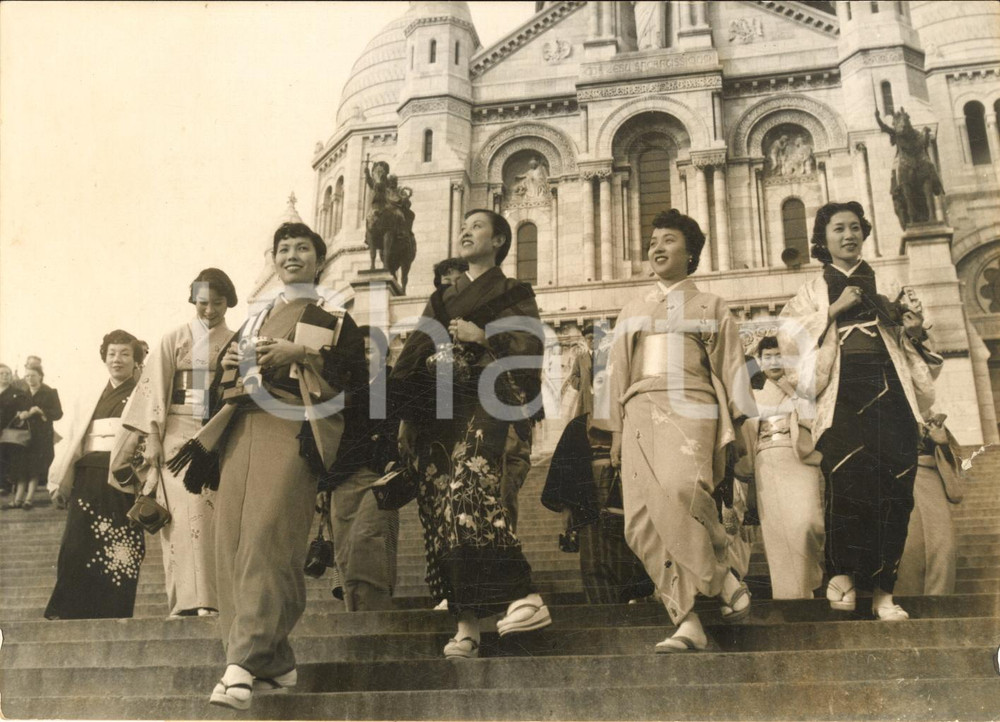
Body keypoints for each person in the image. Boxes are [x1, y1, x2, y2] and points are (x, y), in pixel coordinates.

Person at [167, 222, 367, 710]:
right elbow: (223, 380)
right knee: (229, 545)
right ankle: (274, 664)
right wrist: (231, 360)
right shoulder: (256, 317)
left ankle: (241, 664)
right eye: (284, 248)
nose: (292, 255)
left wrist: (304, 353)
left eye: (303, 248)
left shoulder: (334, 315)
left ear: (320, 261)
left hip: (294, 430)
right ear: (273, 259)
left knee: (268, 541)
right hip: (240, 430)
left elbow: (355, 382)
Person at [392, 209, 550, 659]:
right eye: (463, 225)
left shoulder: (513, 291)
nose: (465, 230)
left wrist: (484, 335)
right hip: (439, 408)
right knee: (441, 507)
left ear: (500, 240)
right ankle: (467, 624)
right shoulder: (441, 298)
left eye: (477, 226)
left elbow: (529, 346)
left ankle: (525, 595)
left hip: (487, 396)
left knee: (469, 491)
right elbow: (411, 354)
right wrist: (405, 414)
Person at [779, 201, 942, 621]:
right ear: (823, 239)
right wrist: (834, 309)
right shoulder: (812, 291)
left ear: (865, 233)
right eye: (839, 229)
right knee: (848, 484)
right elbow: (788, 340)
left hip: (891, 392)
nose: (849, 235)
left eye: (855, 227)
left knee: (895, 489)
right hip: (843, 395)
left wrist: (914, 328)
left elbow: (920, 341)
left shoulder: (888, 281)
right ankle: (842, 575)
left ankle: (885, 592)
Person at [607, 209, 757, 653]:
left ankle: (720, 576)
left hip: (691, 403)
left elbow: (731, 366)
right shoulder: (633, 307)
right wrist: (614, 431)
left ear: (690, 253)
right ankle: (689, 618)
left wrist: (741, 427)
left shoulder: (712, 305)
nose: (657, 247)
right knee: (640, 522)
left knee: (681, 491)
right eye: (653, 240)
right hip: (637, 407)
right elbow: (616, 370)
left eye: (669, 240)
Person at [115, 268, 237, 618]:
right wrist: (152, 437)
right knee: (183, 520)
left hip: (221, 432)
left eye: (217, 302)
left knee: (213, 519)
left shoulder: (238, 339)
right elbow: (154, 388)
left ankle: (214, 600)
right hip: (177, 434)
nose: (210, 310)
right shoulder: (174, 338)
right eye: (202, 303)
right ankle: (186, 602)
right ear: (192, 301)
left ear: (228, 301)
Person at [44, 330, 147, 620]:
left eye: (125, 353)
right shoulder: (92, 395)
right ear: (104, 357)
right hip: (88, 476)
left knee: (122, 544)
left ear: (135, 359)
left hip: (124, 477)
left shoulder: (143, 393)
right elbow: (74, 438)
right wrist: (59, 482)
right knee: (77, 543)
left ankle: (115, 608)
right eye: (113, 353)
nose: (118, 359)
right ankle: (70, 609)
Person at [327, 326, 400, 611]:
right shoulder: (345, 389)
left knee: (369, 541)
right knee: (345, 551)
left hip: (380, 476)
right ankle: (355, 615)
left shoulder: (396, 385)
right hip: (344, 478)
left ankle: (375, 613)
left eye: (372, 350)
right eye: (362, 351)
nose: (367, 357)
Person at [747, 336, 824, 599]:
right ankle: (789, 596)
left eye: (779, 355)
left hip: (800, 460)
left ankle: (808, 579)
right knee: (777, 534)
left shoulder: (803, 390)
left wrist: (792, 390)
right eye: (767, 356)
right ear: (759, 361)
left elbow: (816, 420)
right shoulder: (753, 394)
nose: (774, 361)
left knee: (809, 523)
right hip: (767, 462)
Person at [895, 414, 962, 596]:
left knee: (943, 546)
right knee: (907, 550)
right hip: (898, 482)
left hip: (933, 482)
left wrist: (942, 442)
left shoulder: (931, 418)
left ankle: (938, 602)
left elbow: (956, 486)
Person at [16, 364, 63, 509]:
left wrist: (41, 411)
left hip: (42, 436)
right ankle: (19, 498)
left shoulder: (49, 392)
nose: (29, 379)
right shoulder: (23, 393)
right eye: (27, 376)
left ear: (40, 376)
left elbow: (58, 414)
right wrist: (21, 415)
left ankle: (29, 499)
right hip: (25, 436)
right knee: (24, 465)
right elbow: (17, 413)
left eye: (33, 375)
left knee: (36, 466)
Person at [0, 363, 31, 499]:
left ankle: (5, 485)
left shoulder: (17, 394)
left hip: (7, 431)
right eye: (1, 373)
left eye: (7, 373)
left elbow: (23, 410)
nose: (5, 376)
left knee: (5, 458)